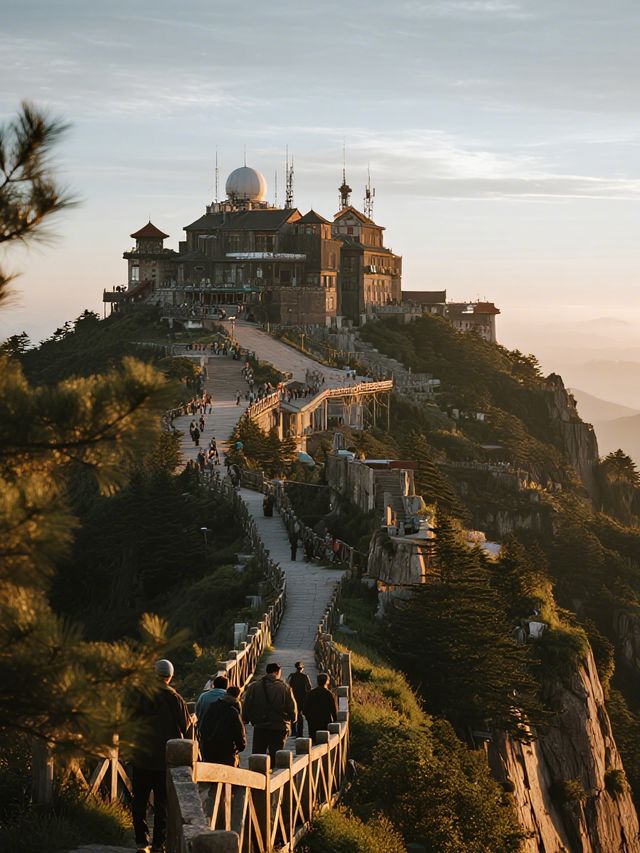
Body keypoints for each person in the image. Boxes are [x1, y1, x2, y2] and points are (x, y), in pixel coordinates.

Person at [131, 659, 191, 853]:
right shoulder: (175, 698)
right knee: (162, 804)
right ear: (170, 676)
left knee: (139, 800)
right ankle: (158, 844)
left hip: (141, 757)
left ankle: (141, 841)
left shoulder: (140, 696)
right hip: (164, 760)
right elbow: (186, 726)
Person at [242, 662, 297, 762]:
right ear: (277, 672)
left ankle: (258, 776)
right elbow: (292, 708)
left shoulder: (254, 686)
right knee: (276, 756)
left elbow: (246, 705)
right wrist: (293, 719)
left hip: (260, 726)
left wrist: (246, 718)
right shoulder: (285, 688)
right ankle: (274, 775)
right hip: (279, 726)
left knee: (258, 756)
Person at [198, 685, 246, 766]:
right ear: (237, 696)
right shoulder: (233, 711)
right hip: (226, 750)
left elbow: (203, 726)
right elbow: (239, 732)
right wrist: (241, 746)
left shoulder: (212, 706)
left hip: (209, 748)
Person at [303, 673, 337, 742]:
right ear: (327, 681)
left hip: (313, 723)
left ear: (317, 681)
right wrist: (335, 721)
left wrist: (309, 719)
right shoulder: (329, 694)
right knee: (324, 742)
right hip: (325, 723)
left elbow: (305, 709)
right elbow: (334, 710)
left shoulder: (311, 693)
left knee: (313, 742)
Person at [286, 662, 312, 738]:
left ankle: (293, 731)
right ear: (302, 668)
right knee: (300, 715)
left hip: (293, 697)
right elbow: (309, 687)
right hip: (302, 698)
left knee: (292, 713)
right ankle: (300, 733)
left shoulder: (292, 676)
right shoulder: (305, 676)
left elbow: (287, 685)